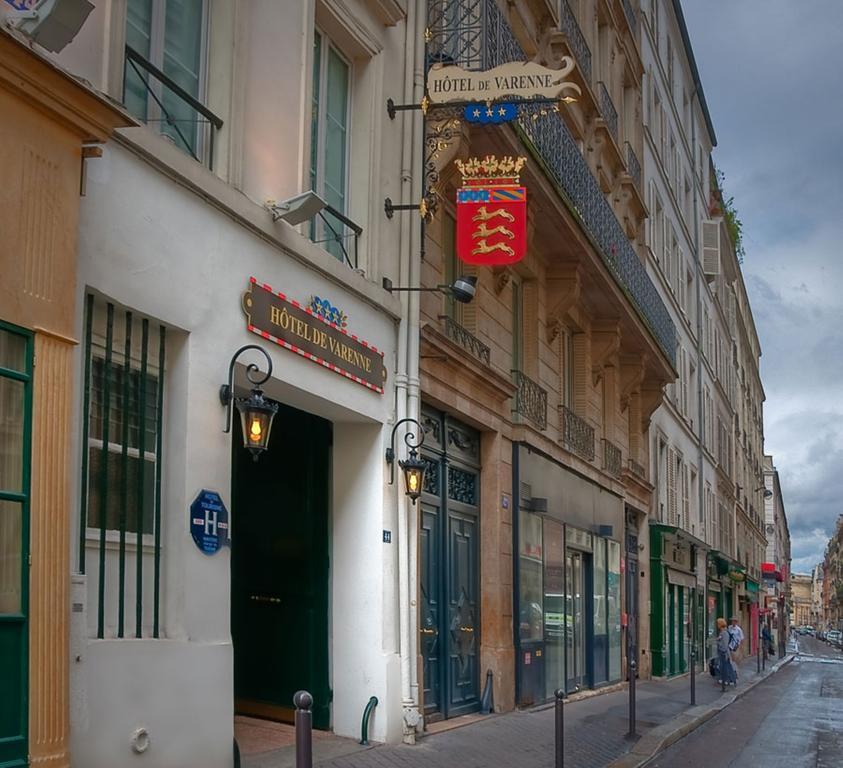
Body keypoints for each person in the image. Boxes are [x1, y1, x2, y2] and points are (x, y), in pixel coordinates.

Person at [716, 617, 736, 686]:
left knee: (726, 667)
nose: (717, 625)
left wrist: (718, 641)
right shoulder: (723, 632)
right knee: (724, 666)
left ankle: (729, 680)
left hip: (724, 653)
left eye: (717, 623)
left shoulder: (724, 633)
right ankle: (726, 679)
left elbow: (724, 645)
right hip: (723, 653)